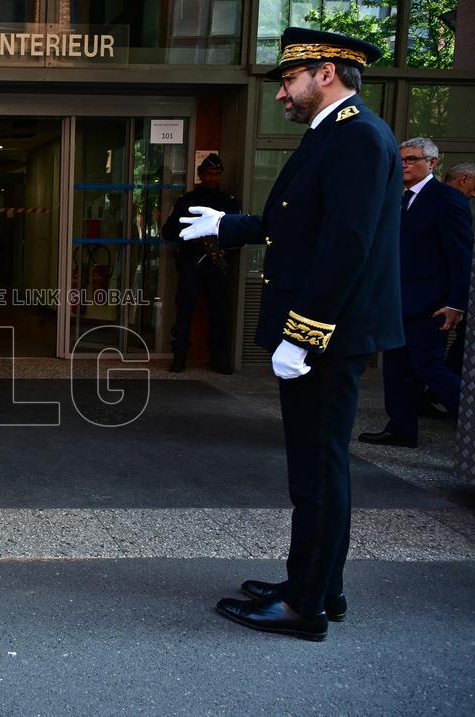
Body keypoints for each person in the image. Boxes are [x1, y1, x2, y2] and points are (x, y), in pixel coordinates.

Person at [180, 28, 402, 641]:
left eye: (287, 80)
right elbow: (298, 224)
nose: (281, 94)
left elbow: (344, 247)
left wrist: (304, 334)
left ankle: (305, 606)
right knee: (315, 467)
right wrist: (232, 225)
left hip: (328, 333)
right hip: (329, 330)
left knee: (319, 469)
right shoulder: (336, 132)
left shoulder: (355, 136)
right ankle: (317, 586)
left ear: (324, 72)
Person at [358, 139, 473, 447]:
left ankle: (470, 423)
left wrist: (456, 303)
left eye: (411, 159)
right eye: (401, 160)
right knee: (396, 370)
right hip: (396, 302)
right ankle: (401, 429)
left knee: (430, 368)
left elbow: (460, 256)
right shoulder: (396, 197)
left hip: (431, 305)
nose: (404, 165)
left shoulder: (447, 199)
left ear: (432, 163)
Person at [160, 153, 241, 373]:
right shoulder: (187, 201)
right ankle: (179, 356)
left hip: (217, 263)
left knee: (219, 313)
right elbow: (168, 231)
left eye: (216, 174)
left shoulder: (228, 202)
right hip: (192, 262)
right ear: (200, 175)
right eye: (208, 174)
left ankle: (218, 357)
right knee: (184, 311)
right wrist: (194, 235)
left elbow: (239, 234)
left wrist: (221, 247)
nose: (212, 179)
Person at [443, 162, 475, 377]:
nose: (473, 194)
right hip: (444, 292)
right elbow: (459, 253)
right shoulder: (453, 202)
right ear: (463, 179)